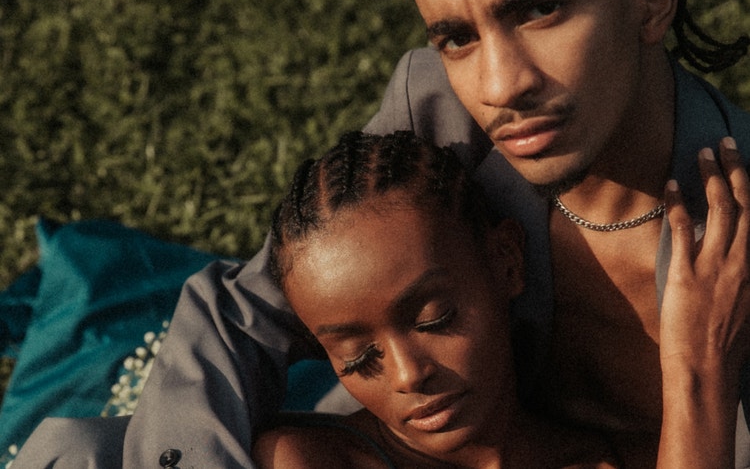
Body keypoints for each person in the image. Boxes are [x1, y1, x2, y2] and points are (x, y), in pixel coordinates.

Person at [11, 0, 750, 467]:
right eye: (457, 35)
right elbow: (247, 312)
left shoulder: (737, 243)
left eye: (540, 8)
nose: (499, 86)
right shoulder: (445, 111)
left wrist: (695, 373)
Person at [250, 130, 747, 468]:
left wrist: (698, 371)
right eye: (357, 357)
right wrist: (699, 379)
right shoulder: (306, 459)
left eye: (434, 318)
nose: (407, 374)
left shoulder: (619, 458)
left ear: (506, 261)